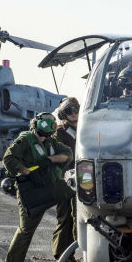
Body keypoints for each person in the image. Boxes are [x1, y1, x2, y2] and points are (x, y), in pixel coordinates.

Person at [2, 112, 75, 262]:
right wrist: (25, 171)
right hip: (31, 191)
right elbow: (9, 158)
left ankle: (65, 257)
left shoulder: (51, 143)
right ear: (37, 125)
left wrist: (50, 159)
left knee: (72, 202)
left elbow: (67, 153)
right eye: (45, 124)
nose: (49, 127)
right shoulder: (25, 141)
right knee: (26, 230)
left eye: (51, 124)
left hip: (50, 186)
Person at [54, 97, 80, 243]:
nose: (73, 113)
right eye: (68, 111)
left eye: (75, 109)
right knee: (65, 219)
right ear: (63, 115)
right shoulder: (60, 133)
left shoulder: (86, 128)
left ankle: (81, 255)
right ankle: (64, 259)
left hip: (84, 179)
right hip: (66, 181)